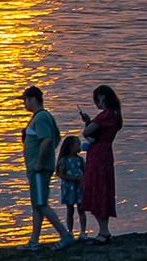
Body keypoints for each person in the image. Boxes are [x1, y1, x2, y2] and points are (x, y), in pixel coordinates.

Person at [17, 86, 70, 246]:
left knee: (41, 204)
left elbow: (47, 139)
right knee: (37, 204)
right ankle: (34, 241)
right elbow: (57, 137)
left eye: (25, 100)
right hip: (38, 168)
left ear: (33, 99)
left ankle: (65, 235)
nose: (24, 104)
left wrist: (40, 162)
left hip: (39, 168)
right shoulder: (43, 117)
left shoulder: (40, 118)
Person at [78, 83, 123, 242]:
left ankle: (103, 231)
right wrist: (89, 121)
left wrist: (89, 124)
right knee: (103, 188)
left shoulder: (105, 115)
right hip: (105, 154)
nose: (95, 103)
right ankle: (104, 230)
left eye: (96, 99)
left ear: (103, 97)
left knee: (97, 189)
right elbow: (97, 130)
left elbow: (87, 132)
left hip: (98, 155)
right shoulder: (114, 115)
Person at [56, 129, 89, 240]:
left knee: (81, 209)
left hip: (79, 187)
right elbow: (60, 174)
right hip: (69, 188)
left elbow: (85, 172)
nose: (80, 146)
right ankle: (70, 231)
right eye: (77, 144)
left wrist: (83, 181)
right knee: (70, 210)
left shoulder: (80, 160)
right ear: (70, 147)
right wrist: (72, 179)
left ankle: (83, 232)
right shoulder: (64, 160)